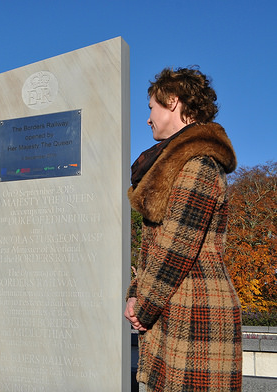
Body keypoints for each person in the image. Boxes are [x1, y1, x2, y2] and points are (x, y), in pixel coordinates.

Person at [124, 67, 242, 391]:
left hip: (196, 316)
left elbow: (176, 248)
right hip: (177, 307)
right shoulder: (180, 162)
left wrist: (141, 305)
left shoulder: (199, 163)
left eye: (152, 107)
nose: (148, 118)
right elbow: (157, 246)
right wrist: (137, 294)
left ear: (173, 102)